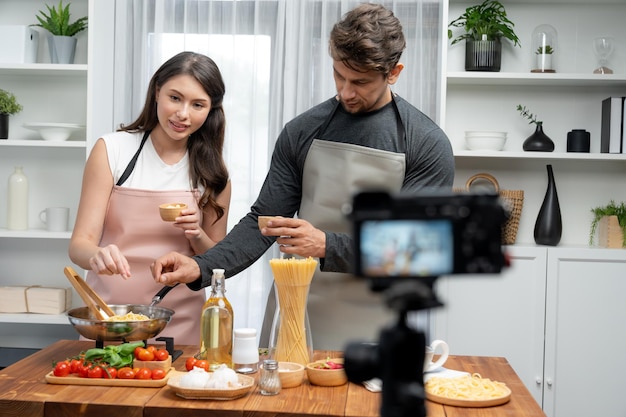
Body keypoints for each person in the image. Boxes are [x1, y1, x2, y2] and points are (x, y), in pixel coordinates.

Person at [151, 4, 454, 349]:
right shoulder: (302, 130)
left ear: (394, 72)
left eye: (361, 81)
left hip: (380, 321)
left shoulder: (426, 144)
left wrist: (327, 245)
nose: (346, 92)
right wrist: (200, 267)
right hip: (296, 312)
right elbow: (263, 221)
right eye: (339, 75)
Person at [69, 52, 231, 345]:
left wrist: (195, 234)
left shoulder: (213, 175)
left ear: (211, 110)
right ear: (157, 92)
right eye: (175, 98)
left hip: (181, 323)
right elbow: (79, 244)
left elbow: (218, 265)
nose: (183, 114)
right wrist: (96, 255)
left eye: (198, 105)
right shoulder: (112, 150)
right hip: (109, 318)